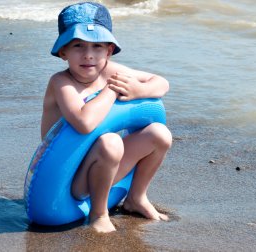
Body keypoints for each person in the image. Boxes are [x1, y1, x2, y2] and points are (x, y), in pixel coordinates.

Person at [41, 2, 172, 233]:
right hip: (66, 178)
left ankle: (137, 197)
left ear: (109, 51)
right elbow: (84, 123)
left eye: (98, 46)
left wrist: (139, 91)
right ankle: (98, 213)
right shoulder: (61, 82)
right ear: (63, 51)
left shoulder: (109, 71)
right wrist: (112, 90)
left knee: (159, 134)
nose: (88, 55)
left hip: (105, 168)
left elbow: (161, 82)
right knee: (110, 141)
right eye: (78, 45)